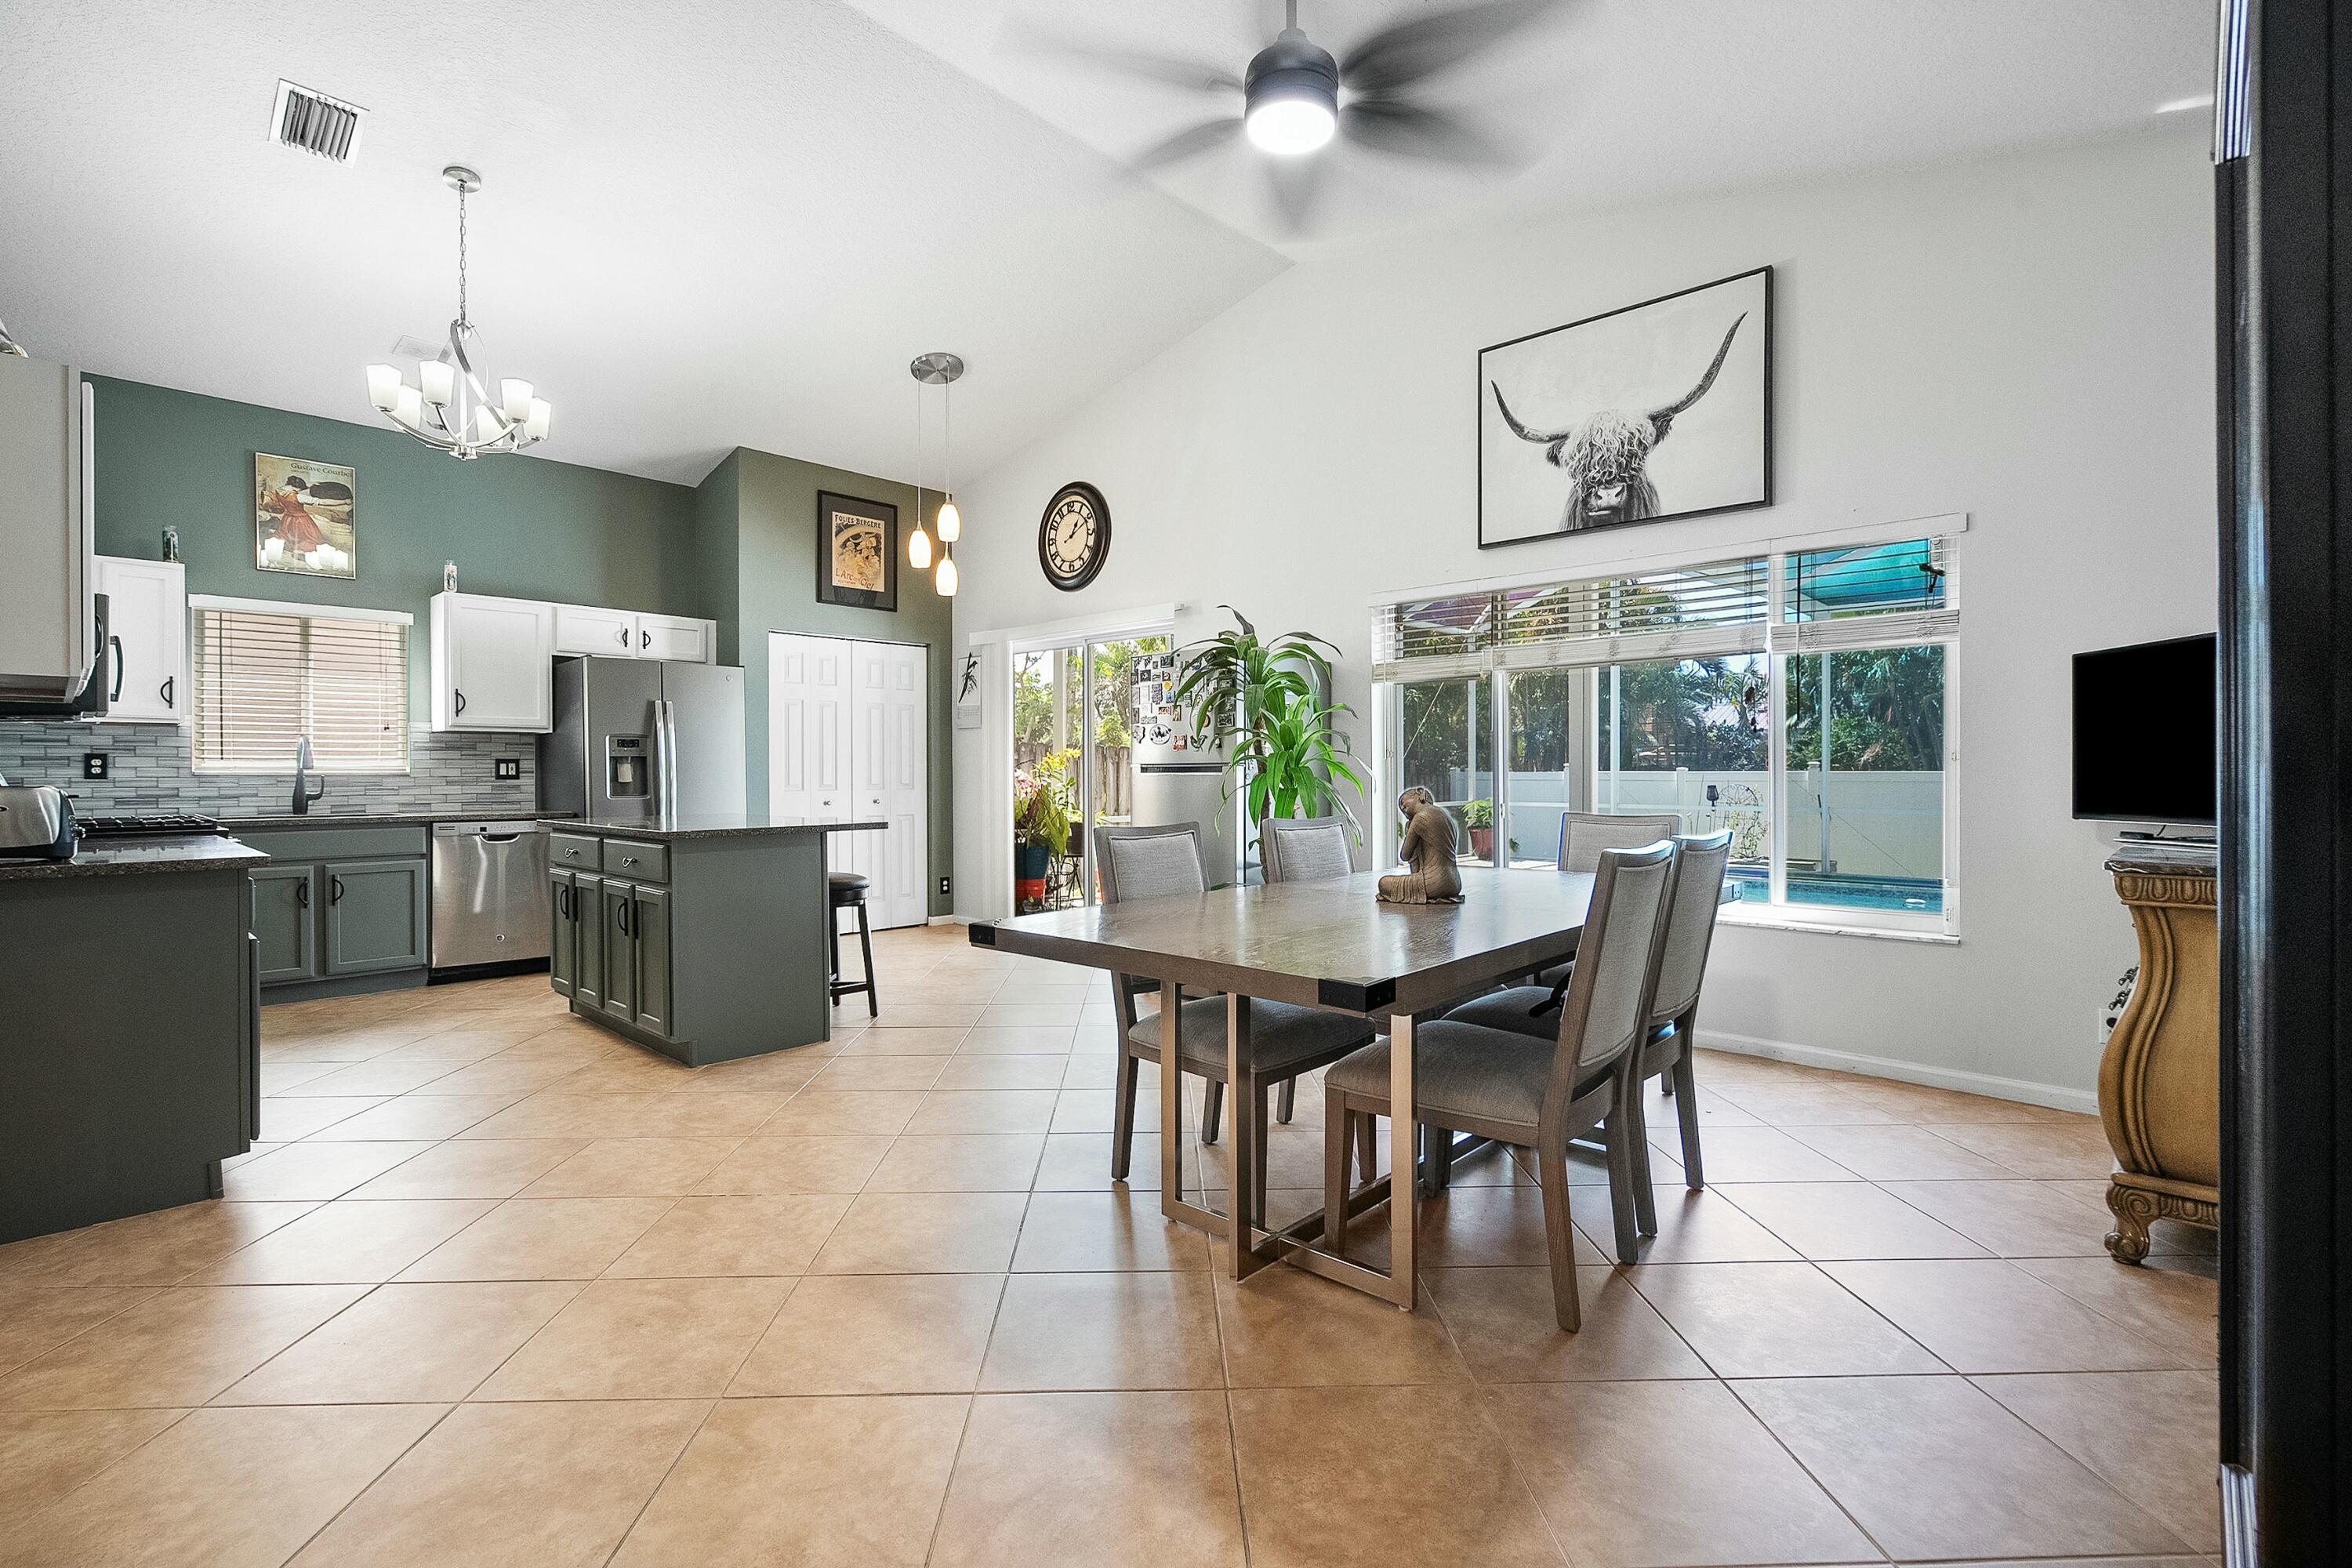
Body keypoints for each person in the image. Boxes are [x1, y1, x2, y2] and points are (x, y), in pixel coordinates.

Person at [1377, 786, 1465, 904]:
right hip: (1455, 883)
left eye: (1403, 802)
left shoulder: (1420, 817)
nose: (1402, 808)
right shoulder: (1445, 815)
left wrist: (1409, 832)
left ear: (1419, 795)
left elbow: (1405, 855)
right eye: (1401, 809)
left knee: (1383, 883)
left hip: (1433, 882)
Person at [263, 475, 325, 556]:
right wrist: (344, 502)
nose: (299, 491)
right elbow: (323, 502)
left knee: (285, 537)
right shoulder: (298, 496)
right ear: (295, 488)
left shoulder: (279, 491)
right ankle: (301, 549)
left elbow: (294, 488)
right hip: (301, 520)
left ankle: (291, 547)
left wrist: (308, 485)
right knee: (309, 539)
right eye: (299, 490)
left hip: (287, 519)